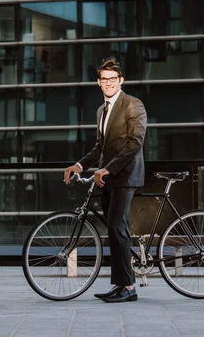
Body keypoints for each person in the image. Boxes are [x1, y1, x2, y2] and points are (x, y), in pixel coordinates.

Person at [63, 57, 147, 303]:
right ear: (98, 83)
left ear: (120, 80)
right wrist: (79, 165)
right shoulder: (102, 110)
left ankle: (129, 288)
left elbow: (135, 143)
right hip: (107, 177)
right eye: (104, 79)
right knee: (113, 229)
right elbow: (100, 147)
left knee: (116, 226)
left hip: (126, 175)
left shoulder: (133, 105)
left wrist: (107, 169)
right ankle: (120, 284)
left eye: (113, 79)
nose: (108, 83)